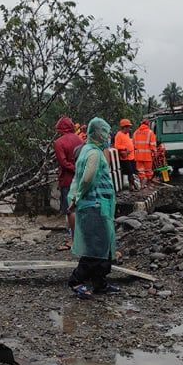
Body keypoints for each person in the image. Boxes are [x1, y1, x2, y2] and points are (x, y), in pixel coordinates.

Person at [67, 117, 119, 299]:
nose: (107, 136)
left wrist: (75, 198)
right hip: (94, 205)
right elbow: (87, 177)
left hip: (96, 205)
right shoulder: (95, 153)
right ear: (97, 133)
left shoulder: (87, 150)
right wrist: (79, 196)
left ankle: (100, 283)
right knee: (95, 247)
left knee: (102, 245)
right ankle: (76, 281)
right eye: (105, 132)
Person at [54, 117, 84, 246]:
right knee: (79, 206)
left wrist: (73, 169)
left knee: (69, 209)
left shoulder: (59, 142)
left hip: (67, 178)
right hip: (80, 178)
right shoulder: (80, 140)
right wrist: (79, 170)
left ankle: (73, 238)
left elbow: (63, 162)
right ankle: (81, 236)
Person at [113, 118, 138, 191]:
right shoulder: (119, 135)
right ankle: (133, 186)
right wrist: (125, 148)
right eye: (128, 127)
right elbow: (117, 146)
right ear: (124, 127)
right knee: (129, 172)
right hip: (125, 158)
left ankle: (131, 186)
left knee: (132, 172)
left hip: (131, 157)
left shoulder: (127, 134)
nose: (129, 128)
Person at [133, 117, 157, 183]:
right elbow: (153, 145)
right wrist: (155, 153)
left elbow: (133, 144)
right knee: (148, 171)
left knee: (140, 171)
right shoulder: (150, 133)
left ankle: (142, 183)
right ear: (148, 124)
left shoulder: (135, 133)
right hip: (147, 156)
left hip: (138, 156)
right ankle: (148, 183)